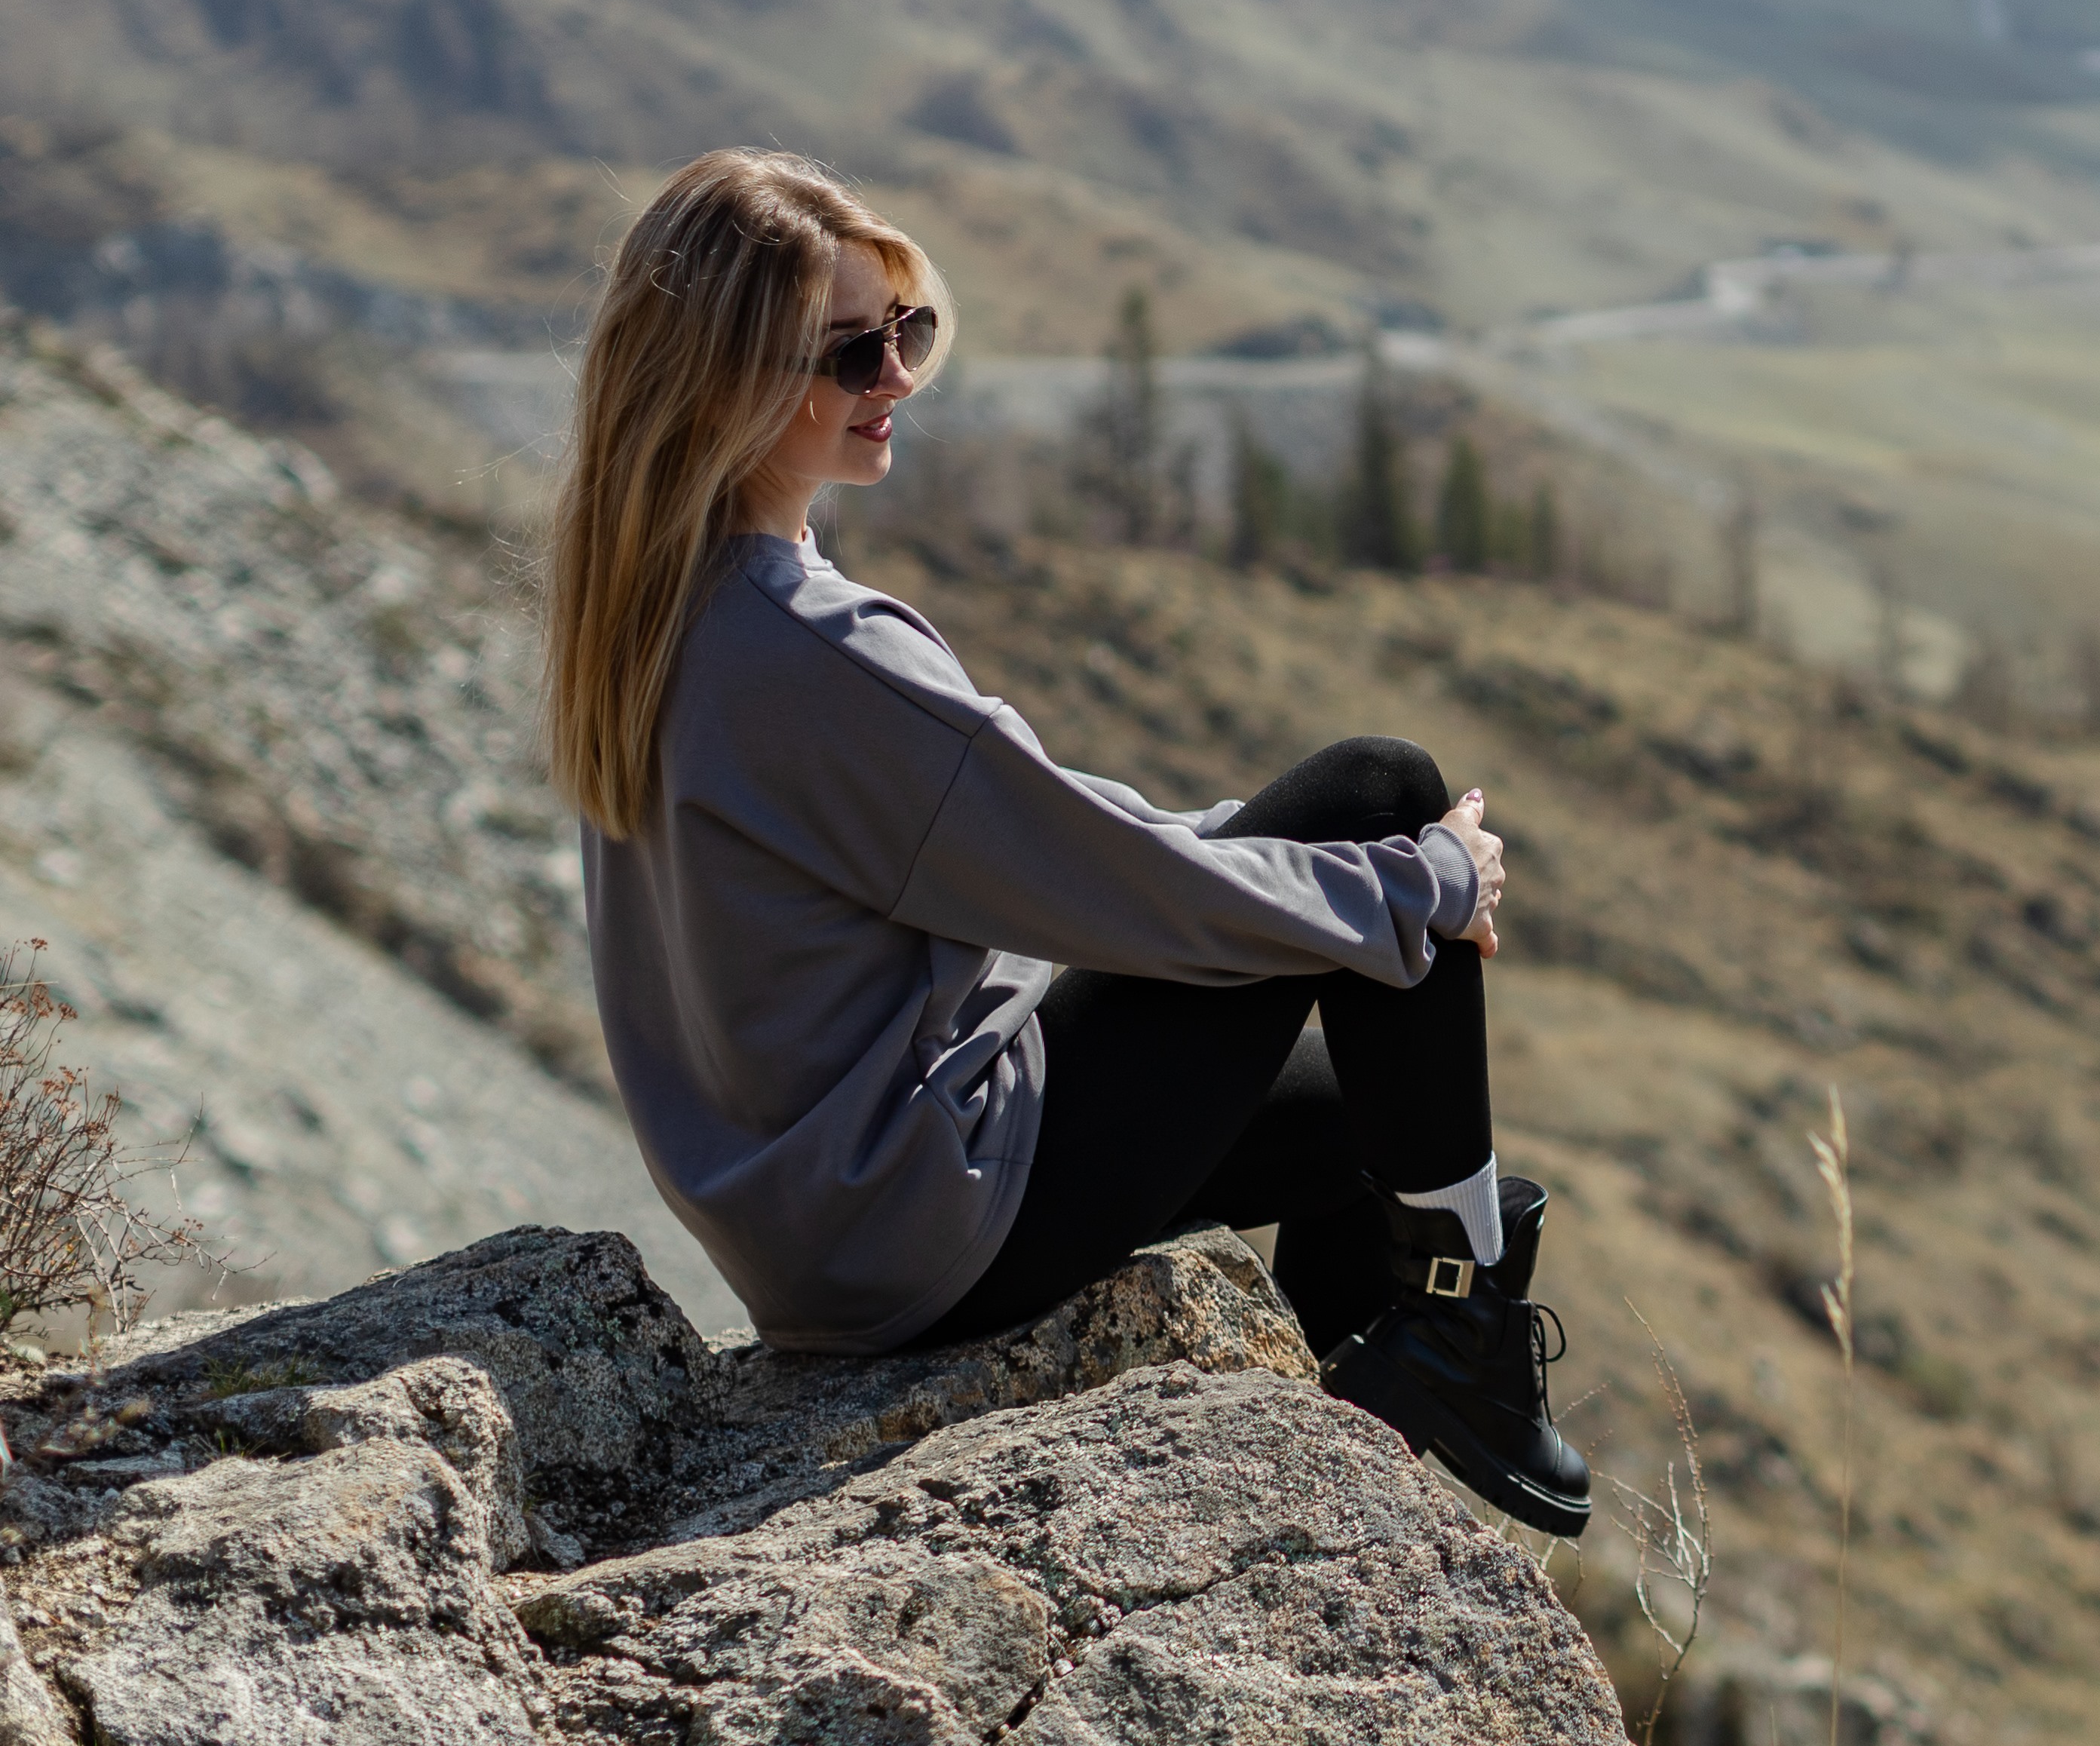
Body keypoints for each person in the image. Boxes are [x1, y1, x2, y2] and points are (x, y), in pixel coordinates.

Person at [542, 146, 1585, 1534]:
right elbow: (1104, 883)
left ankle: (1385, 1417)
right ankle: (1463, 1336)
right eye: (849, 351)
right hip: (925, 1218)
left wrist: (1357, 890)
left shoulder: (659, 606)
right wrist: (1422, 878)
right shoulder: (810, 647)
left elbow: (1046, 830)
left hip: (822, 1233)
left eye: (906, 329)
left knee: (1370, 1123)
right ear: (723, 380)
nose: (896, 376)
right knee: (1379, 787)